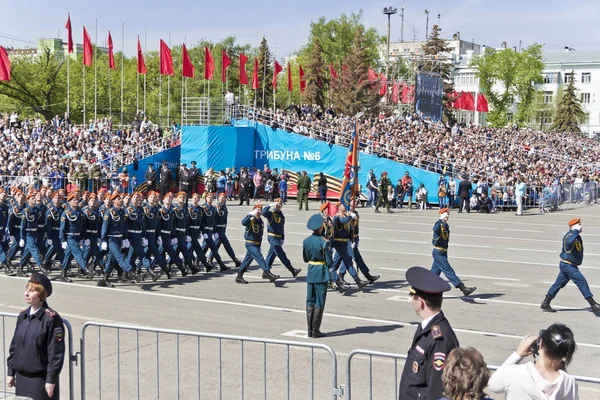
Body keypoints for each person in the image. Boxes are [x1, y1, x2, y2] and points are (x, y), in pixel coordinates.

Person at [399, 266, 460, 400]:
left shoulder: (439, 339)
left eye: (412, 296)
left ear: (420, 302)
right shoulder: (427, 328)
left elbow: (437, 389)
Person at [7, 272, 66, 400]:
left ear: (42, 294)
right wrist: (11, 372)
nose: (26, 294)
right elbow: (15, 346)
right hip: (22, 377)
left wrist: (51, 379)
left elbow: (55, 353)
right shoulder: (23, 316)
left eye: (32, 291)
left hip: (40, 380)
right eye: (26, 289)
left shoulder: (50, 319)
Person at [487, 324, 579, 400]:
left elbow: (493, 385)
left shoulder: (516, 373)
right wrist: (562, 368)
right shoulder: (569, 384)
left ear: (541, 344)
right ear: (566, 354)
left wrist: (518, 354)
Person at [541, 218, 600, 313]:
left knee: (558, 284)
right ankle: (593, 304)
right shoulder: (569, 236)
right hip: (568, 265)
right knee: (582, 282)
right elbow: (569, 243)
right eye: (578, 225)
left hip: (570, 265)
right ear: (573, 227)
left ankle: (546, 302)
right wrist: (575, 230)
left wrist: (576, 232)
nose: (581, 227)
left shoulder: (576, 236)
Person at [431, 208, 476, 296]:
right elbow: (435, 229)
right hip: (438, 252)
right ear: (441, 214)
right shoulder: (439, 224)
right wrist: (440, 218)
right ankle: (462, 288)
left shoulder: (445, 225)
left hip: (443, 252)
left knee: (434, 274)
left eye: (448, 214)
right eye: (445, 214)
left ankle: (417, 289)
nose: (447, 216)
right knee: (449, 270)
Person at [303, 213, 332, 338]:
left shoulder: (306, 241)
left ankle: (309, 329)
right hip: (321, 272)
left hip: (311, 271)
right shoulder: (324, 242)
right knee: (319, 301)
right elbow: (329, 262)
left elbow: (305, 258)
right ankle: (315, 330)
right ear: (321, 227)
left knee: (310, 300)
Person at [235, 204, 280, 284]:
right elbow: (243, 222)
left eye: (260, 210)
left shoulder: (260, 221)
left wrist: (259, 244)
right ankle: (268, 273)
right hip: (250, 243)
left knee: (247, 261)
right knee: (260, 257)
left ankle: (239, 276)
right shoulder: (251, 219)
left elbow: (260, 234)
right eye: (257, 210)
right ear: (254, 210)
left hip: (257, 244)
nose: (259, 212)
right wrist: (250, 214)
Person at [263, 198, 301, 277]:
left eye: (280, 204)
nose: (279, 206)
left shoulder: (281, 214)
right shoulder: (271, 213)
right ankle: (292, 269)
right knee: (281, 254)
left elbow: (282, 227)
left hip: (278, 237)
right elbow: (264, 212)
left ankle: (265, 271)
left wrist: (282, 237)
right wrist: (270, 205)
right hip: (272, 236)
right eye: (278, 204)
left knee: (271, 254)